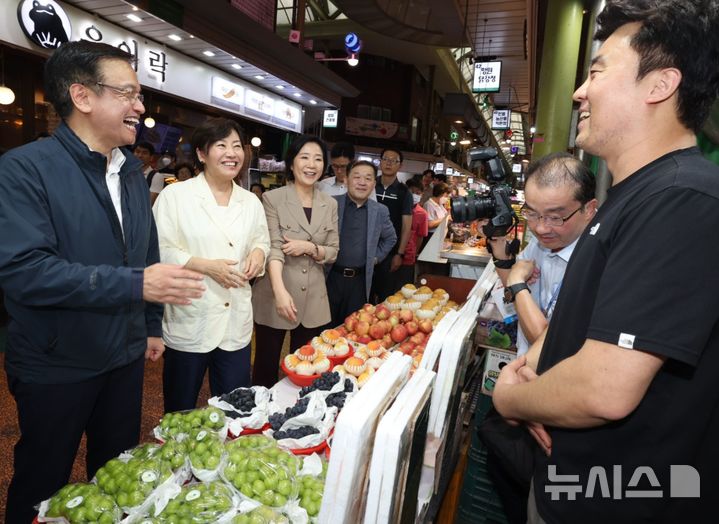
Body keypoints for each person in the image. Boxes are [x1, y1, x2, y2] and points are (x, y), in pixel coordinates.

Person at [493, 2, 719, 523]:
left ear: (659, 85)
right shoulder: (634, 195)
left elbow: (605, 389)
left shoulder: (682, 199)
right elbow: (583, 318)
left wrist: (512, 399)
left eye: (596, 71)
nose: (579, 91)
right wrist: (535, 369)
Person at [0, 41, 205, 523]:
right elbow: (26, 273)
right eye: (127, 93)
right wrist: (138, 286)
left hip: (124, 354)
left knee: (117, 472)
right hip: (56, 361)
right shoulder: (25, 170)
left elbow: (146, 252)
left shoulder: (131, 171)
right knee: (41, 481)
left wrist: (151, 324)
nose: (140, 106)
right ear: (83, 96)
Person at [153, 118, 270, 412]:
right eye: (221, 146)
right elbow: (159, 249)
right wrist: (206, 266)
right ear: (202, 154)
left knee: (235, 409)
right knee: (180, 412)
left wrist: (258, 254)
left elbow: (262, 240)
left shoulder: (251, 201)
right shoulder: (175, 196)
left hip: (235, 322)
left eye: (236, 146)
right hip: (191, 315)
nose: (232, 153)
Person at [251, 135, 339, 387]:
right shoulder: (273, 199)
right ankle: (260, 418)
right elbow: (273, 248)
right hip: (275, 291)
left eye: (318, 159)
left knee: (307, 368)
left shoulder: (329, 204)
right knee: (265, 367)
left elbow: (333, 250)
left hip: (313, 298)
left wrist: (309, 247)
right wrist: (280, 292)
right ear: (291, 163)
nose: (312, 164)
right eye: (305, 157)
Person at [489, 153, 597, 356]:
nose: (540, 228)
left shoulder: (598, 262)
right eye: (531, 213)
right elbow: (515, 294)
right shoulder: (540, 245)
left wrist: (517, 282)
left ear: (589, 209)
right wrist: (501, 257)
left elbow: (547, 345)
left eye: (555, 217)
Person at [326, 160, 396, 327]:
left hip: (359, 282)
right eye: (357, 177)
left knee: (353, 329)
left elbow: (390, 238)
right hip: (330, 278)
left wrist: (375, 258)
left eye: (368, 178)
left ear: (373, 184)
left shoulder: (379, 211)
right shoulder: (330, 204)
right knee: (323, 329)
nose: (362, 182)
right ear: (346, 179)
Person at [372, 147, 413, 302]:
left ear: (400, 165)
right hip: (367, 249)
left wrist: (399, 254)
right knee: (364, 295)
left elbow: (406, 226)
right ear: (380, 162)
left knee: (385, 296)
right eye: (385, 159)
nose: (388, 163)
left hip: (390, 253)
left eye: (393, 161)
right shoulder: (370, 185)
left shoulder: (404, 192)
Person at [403, 177, 430, 283]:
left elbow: (420, 237)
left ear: (422, 194)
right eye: (412, 192)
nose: (414, 195)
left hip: (409, 257)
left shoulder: (422, 214)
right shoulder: (399, 207)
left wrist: (414, 254)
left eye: (418, 193)